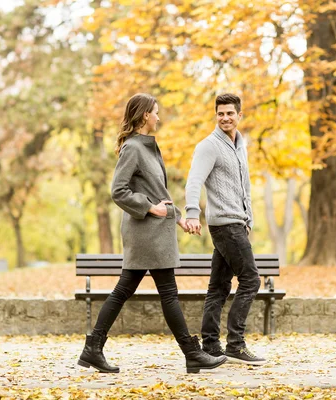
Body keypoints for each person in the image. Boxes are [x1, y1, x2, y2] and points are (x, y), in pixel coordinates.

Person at [78, 93, 227, 374]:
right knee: (167, 293)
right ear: (145, 115)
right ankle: (191, 352)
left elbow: (160, 196)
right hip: (146, 232)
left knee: (126, 290)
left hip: (152, 231)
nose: (159, 117)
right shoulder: (133, 148)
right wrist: (150, 209)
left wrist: (179, 219)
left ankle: (93, 348)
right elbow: (118, 191)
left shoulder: (147, 146)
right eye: (156, 112)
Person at [184, 93, 266, 365]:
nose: (225, 117)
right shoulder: (209, 146)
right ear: (216, 116)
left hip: (237, 223)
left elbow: (246, 187)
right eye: (220, 113)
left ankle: (210, 345)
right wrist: (192, 212)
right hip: (224, 223)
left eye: (230, 113)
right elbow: (194, 181)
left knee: (218, 287)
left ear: (239, 115)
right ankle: (235, 343)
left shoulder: (240, 145)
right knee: (251, 280)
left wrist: (249, 219)